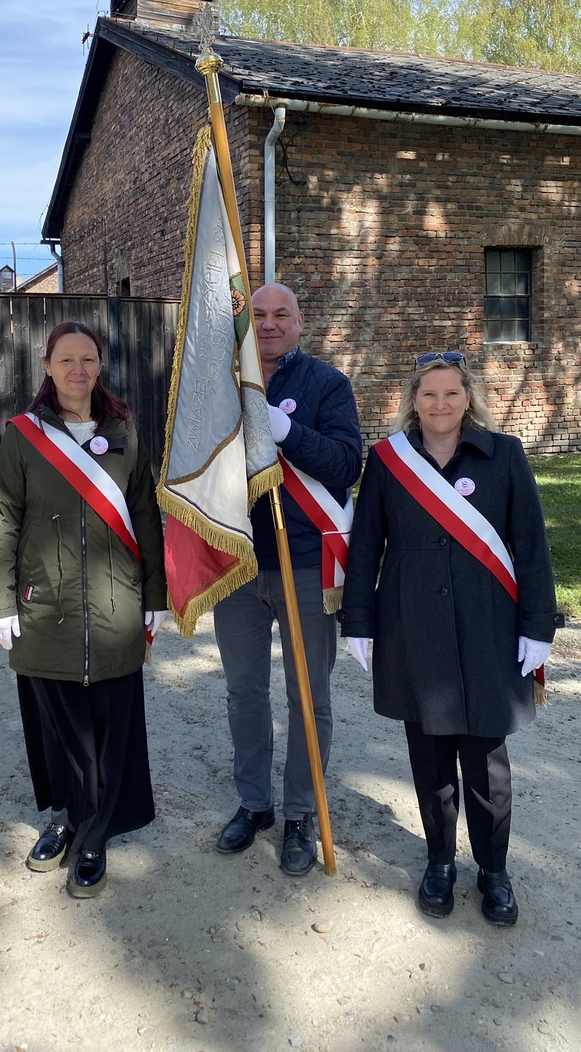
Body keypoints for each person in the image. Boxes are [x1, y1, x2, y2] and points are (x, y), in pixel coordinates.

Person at [339, 352, 563, 925]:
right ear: (413, 401)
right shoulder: (388, 460)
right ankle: (439, 861)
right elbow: (366, 547)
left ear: (469, 398)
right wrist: (357, 621)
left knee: (488, 763)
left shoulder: (504, 455)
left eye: (452, 393)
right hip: (413, 628)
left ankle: (494, 870)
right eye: (429, 394)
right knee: (430, 757)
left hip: (490, 628)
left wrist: (538, 627)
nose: (441, 404)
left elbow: (531, 545)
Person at [0, 320, 169, 899]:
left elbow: (146, 516)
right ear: (47, 366)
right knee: (58, 727)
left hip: (116, 606)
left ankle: (93, 837)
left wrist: (156, 595)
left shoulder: (125, 432)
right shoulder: (23, 436)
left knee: (111, 728)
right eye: (65, 359)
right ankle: (65, 819)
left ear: (99, 366)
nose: (77, 370)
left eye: (87, 359)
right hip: (46, 607)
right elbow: (3, 519)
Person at [213, 283, 362, 875]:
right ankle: (254, 803)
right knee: (244, 691)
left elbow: (347, 464)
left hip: (304, 563)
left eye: (281, 315)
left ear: (301, 323)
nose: (269, 324)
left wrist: (288, 432)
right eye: (258, 315)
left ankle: (301, 811)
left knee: (308, 694)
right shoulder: (220, 384)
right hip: (238, 563)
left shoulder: (327, 384)